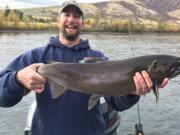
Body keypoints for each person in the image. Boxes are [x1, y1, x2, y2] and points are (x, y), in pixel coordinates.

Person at [0, 1, 168, 135]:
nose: (71, 19)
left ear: (82, 24)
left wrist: (132, 91)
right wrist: (17, 79)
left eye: (77, 16)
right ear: (58, 20)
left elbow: (117, 103)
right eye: (67, 14)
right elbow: (2, 97)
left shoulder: (99, 59)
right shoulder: (36, 57)